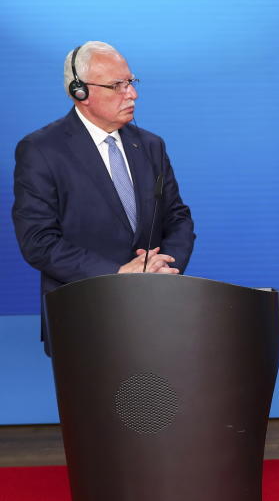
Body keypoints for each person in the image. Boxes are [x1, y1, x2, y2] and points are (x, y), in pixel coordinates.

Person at [12, 41, 195, 350]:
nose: (132, 94)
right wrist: (118, 273)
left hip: (156, 310)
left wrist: (162, 268)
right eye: (117, 86)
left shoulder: (151, 145)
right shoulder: (41, 150)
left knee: (155, 399)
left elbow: (177, 217)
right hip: (83, 317)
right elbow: (38, 241)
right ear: (79, 92)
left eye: (131, 82)